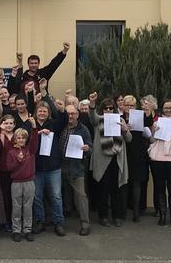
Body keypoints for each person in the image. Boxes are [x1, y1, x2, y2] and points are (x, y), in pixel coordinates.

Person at [88, 93, 132, 227]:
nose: (108, 110)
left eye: (111, 108)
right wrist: (92, 103)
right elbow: (91, 116)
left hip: (116, 159)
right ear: (102, 109)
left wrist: (125, 130)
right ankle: (103, 216)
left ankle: (117, 216)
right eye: (106, 108)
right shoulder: (99, 120)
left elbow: (129, 139)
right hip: (102, 160)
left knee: (117, 190)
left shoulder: (120, 120)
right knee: (103, 190)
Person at [32, 99, 68, 236]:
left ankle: (58, 222)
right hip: (36, 167)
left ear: (48, 113)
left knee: (56, 196)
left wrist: (62, 109)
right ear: (36, 112)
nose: (42, 113)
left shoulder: (53, 124)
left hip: (53, 167)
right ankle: (40, 221)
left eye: (44, 111)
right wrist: (37, 133)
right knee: (37, 197)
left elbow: (64, 120)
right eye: (40, 111)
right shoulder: (32, 125)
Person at [148, 94, 171, 226]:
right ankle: (162, 215)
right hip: (157, 159)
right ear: (162, 109)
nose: (168, 110)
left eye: (170, 107)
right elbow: (151, 140)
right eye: (166, 108)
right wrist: (153, 131)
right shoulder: (157, 122)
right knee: (160, 188)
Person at [59, 104, 92, 235]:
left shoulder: (83, 130)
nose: (70, 116)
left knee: (81, 196)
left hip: (76, 167)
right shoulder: (61, 126)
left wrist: (87, 149)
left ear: (78, 115)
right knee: (59, 194)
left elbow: (90, 148)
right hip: (59, 165)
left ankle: (85, 223)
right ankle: (59, 218)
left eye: (73, 114)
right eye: (68, 113)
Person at [7, 121, 39, 242]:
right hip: (16, 183)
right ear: (15, 139)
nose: (21, 140)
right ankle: (16, 230)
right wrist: (18, 161)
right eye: (18, 138)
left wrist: (34, 127)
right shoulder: (11, 152)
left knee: (28, 207)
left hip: (29, 182)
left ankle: (27, 229)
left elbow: (35, 140)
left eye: (23, 138)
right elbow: (9, 168)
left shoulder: (30, 150)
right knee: (16, 207)